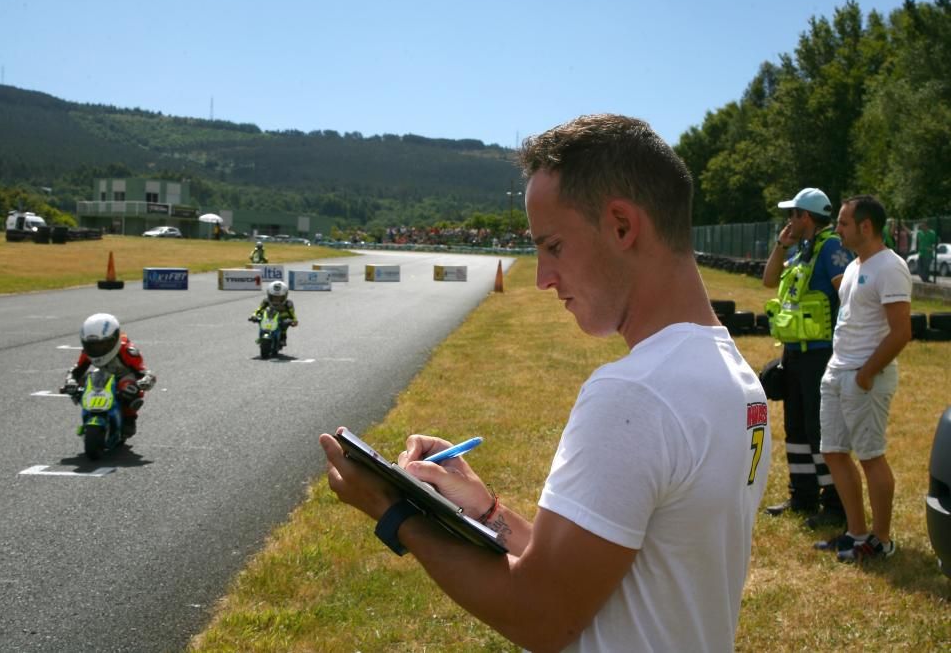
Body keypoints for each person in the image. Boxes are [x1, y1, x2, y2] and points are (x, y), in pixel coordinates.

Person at [319, 114, 771, 651]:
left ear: (622, 226)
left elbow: (543, 616)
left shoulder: (635, 394)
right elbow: (589, 578)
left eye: (553, 246)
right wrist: (485, 510)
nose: (542, 278)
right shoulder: (734, 377)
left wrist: (397, 512)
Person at [815, 195, 912, 562]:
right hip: (838, 371)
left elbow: (901, 332)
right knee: (834, 451)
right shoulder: (857, 266)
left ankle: (881, 541)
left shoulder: (890, 267)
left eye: (842, 223)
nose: (837, 228)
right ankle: (856, 534)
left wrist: (867, 374)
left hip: (863, 377)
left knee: (871, 456)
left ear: (865, 227)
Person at [761, 188, 851, 528]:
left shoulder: (830, 248)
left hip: (821, 355)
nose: (789, 220)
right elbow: (770, 280)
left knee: (820, 429)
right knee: (796, 427)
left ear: (806, 217)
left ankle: (834, 504)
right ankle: (802, 496)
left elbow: (847, 295)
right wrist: (781, 245)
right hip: (795, 353)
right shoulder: (800, 251)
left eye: (793, 214)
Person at [62, 313, 156, 438]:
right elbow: (77, 370)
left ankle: (129, 418)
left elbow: (144, 372)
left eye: (102, 344)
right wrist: (70, 382)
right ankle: (89, 412)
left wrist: (145, 381)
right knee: (84, 380)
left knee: (128, 386)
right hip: (103, 377)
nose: (96, 349)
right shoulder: (87, 352)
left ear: (114, 339)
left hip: (124, 379)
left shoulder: (127, 351)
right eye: (92, 345)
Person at [249, 281, 297, 347]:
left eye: (279, 298)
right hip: (268, 317)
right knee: (259, 318)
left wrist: (294, 321)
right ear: (269, 295)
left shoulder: (288, 304)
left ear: (285, 296)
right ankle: (262, 334)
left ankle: (283, 338)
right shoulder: (266, 301)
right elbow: (259, 309)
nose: (276, 300)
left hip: (281, 320)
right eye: (273, 297)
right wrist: (254, 316)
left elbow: (292, 314)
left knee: (286, 322)